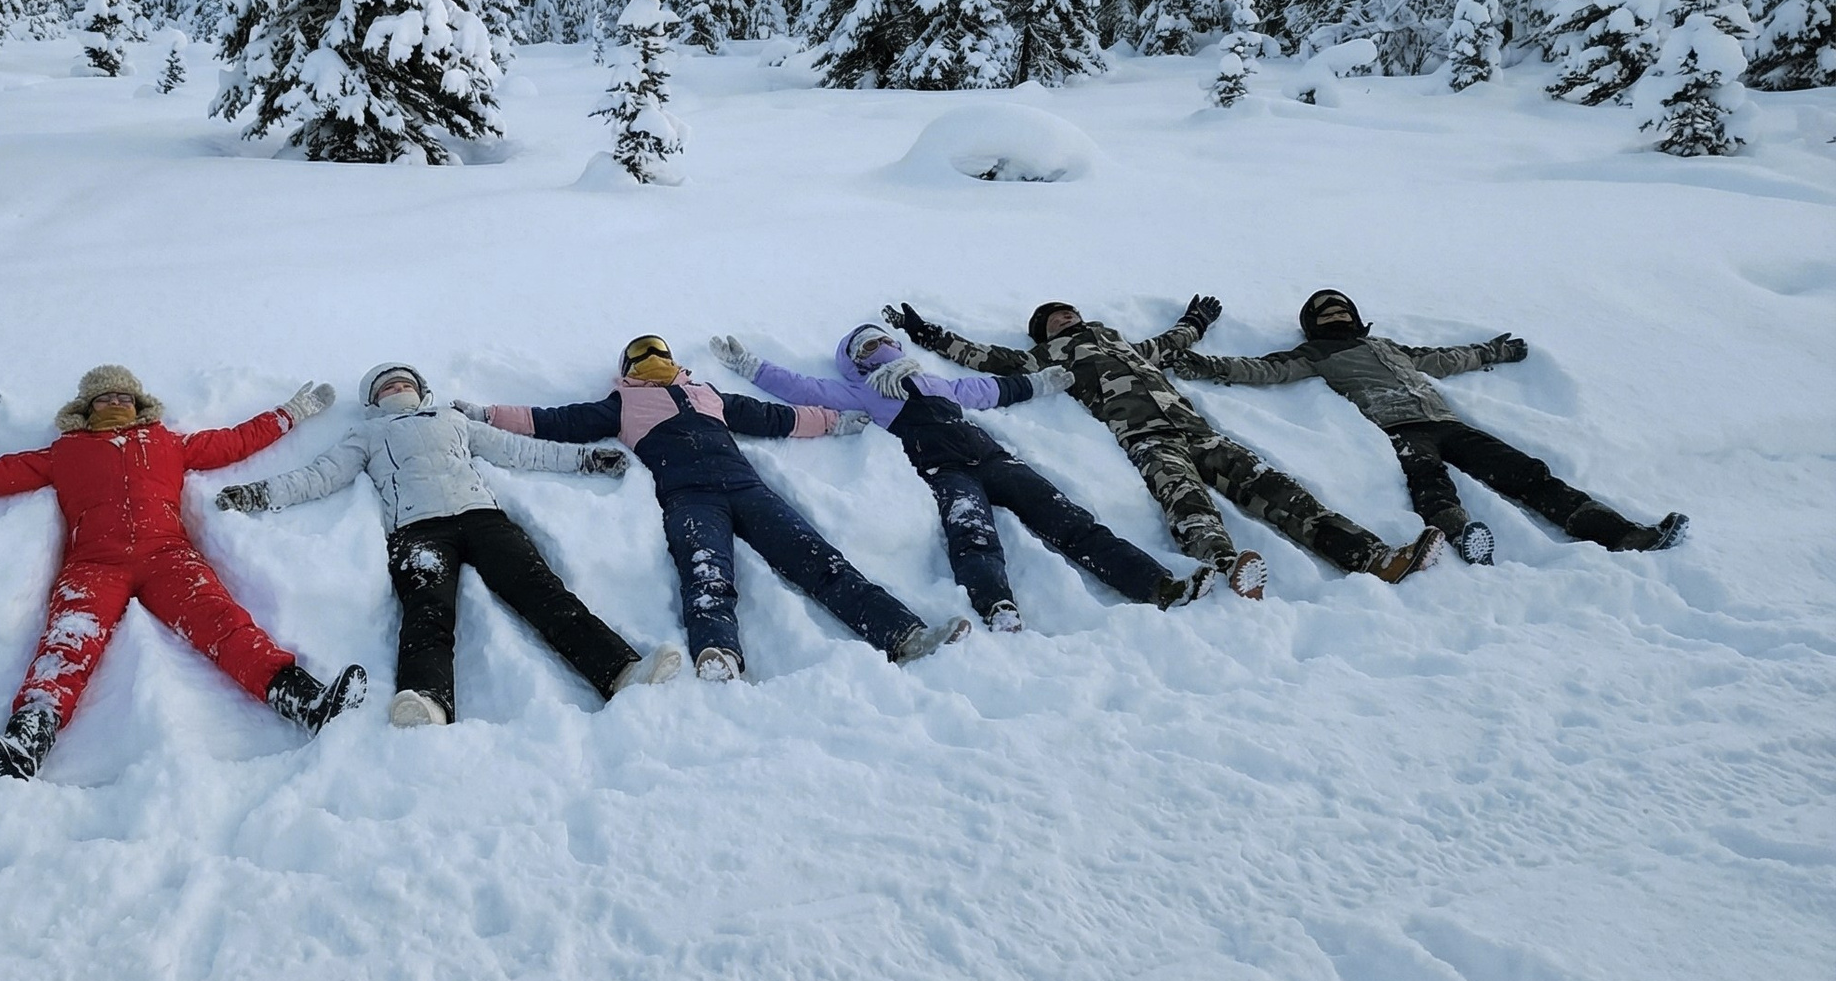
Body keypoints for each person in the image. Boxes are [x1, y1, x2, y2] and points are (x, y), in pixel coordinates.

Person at [0, 365, 365, 779]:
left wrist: (291, 413)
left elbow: (236, 441)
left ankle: (304, 700)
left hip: (169, 557)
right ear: (87, 408)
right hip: (94, 566)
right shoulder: (65, 453)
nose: (116, 403)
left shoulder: (167, 443)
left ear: (139, 404)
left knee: (224, 625)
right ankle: (26, 742)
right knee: (66, 646)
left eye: (125, 397)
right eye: (105, 398)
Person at [458, 335, 970, 682]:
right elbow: (553, 420)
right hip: (689, 498)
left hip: (747, 489)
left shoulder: (705, 393)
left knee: (819, 559)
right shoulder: (622, 404)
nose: (651, 357)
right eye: (639, 354)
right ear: (626, 370)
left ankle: (904, 633)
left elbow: (772, 416)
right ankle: (718, 652)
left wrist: (833, 422)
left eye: (658, 349)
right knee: (706, 576)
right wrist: (485, 413)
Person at [215, 363, 682, 727]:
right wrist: (259, 494)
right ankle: (427, 701)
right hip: (418, 533)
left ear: (422, 389)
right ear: (373, 402)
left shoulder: (451, 419)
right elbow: (319, 475)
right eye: (386, 386)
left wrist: (585, 460)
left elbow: (519, 449)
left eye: (404, 382)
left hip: (484, 520)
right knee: (427, 613)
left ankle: (621, 670)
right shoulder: (367, 434)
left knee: (544, 594)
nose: (397, 388)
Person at [712, 325, 1250, 631]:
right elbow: (801, 388)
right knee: (972, 537)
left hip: (992, 458)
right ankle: (996, 605)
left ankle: (1158, 584)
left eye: (880, 342)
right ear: (853, 362)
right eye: (864, 349)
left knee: (1072, 521)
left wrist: (1042, 382)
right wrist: (749, 366)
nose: (877, 350)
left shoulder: (936, 383)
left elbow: (991, 390)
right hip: (945, 470)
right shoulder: (861, 392)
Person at [886, 299, 1443, 587]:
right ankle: (1225, 565)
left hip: (1197, 429)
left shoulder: (1122, 344)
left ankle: (1371, 556)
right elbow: (983, 357)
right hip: (1147, 438)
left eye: (1069, 311)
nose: (1065, 317)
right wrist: (930, 334)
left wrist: (1195, 319)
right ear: (1043, 332)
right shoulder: (1046, 356)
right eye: (1054, 317)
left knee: (1278, 490)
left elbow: (1170, 343)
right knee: (1187, 504)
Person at [1168, 289, 1689, 563]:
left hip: (1446, 423)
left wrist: (1493, 352)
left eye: (1340, 309)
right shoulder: (1314, 355)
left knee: (1528, 473)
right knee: (1429, 482)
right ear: (1312, 325)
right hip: (1401, 430)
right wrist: (1206, 365)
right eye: (1324, 312)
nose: (1334, 316)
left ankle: (1623, 534)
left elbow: (1444, 358)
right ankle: (1460, 533)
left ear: (1355, 316)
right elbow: (1264, 369)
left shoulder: (1387, 347)